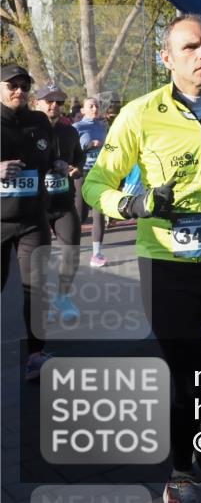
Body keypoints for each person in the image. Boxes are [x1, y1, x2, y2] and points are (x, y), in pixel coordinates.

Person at [83, 14, 201, 503]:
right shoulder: (140, 114)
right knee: (186, 378)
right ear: (167, 58)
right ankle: (180, 473)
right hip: (165, 266)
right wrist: (132, 204)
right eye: (189, 47)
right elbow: (95, 184)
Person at [2, 64, 67, 380]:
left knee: (37, 288)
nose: (19, 91)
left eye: (24, 86)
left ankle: (35, 355)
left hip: (31, 220)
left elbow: (49, 156)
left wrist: (57, 163)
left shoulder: (39, 121)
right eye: (12, 85)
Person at [37, 85, 85, 322]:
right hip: (36, 206)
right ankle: (41, 302)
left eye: (58, 102)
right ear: (36, 103)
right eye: (48, 100)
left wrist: (76, 169)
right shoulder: (27, 130)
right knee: (38, 257)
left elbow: (79, 158)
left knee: (72, 251)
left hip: (64, 202)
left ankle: (62, 296)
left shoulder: (70, 133)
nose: (54, 105)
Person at [73, 97, 109, 267]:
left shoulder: (103, 126)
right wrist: (88, 145)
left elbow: (109, 148)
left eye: (97, 105)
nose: (95, 108)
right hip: (82, 173)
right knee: (80, 214)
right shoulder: (77, 127)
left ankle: (97, 254)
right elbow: (71, 150)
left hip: (99, 174)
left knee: (99, 213)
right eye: (91, 106)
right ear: (83, 111)